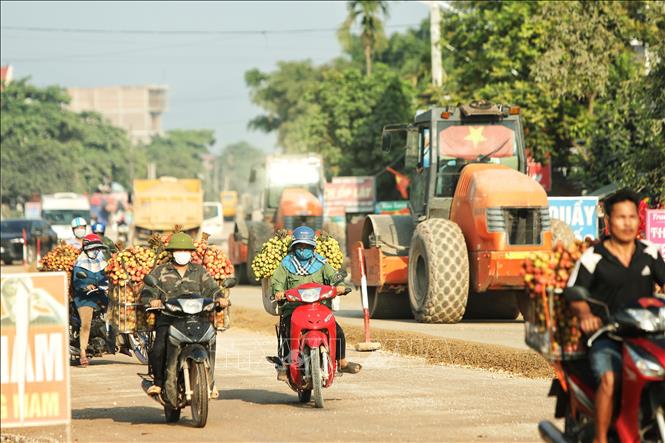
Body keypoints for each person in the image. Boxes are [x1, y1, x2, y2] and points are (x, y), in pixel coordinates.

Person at [567, 189, 665, 443]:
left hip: (647, 334)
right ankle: (600, 438)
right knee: (610, 379)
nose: (628, 223)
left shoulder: (649, 253)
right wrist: (586, 314)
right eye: (621, 217)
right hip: (608, 336)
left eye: (632, 217)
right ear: (608, 222)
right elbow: (574, 293)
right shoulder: (594, 257)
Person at [141, 232, 228, 397]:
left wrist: (220, 298)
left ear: (191, 253)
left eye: (186, 251)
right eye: (178, 250)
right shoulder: (160, 271)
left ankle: (210, 382)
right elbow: (147, 293)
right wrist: (152, 300)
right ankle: (159, 382)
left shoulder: (199, 271)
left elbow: (213, 289)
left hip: (198, 318)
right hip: (169, 318)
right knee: (158, 348)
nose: (182, 254)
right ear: (172, 252)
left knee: (210, 343)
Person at [271, 226, 361, 381]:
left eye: (307, 246)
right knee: (287, 333)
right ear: (294, 246)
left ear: (313, 246)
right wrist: (278, 291)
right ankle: (286, 366)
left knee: (337, 330)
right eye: (300, 246)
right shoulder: (286, 264)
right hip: (294, 309)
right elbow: (277, 282)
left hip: (319, 308)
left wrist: (339, 285)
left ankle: (342, 361)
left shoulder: (321, 263)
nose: (303, 249)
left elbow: (334, 277)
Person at [72, 234, 110, 367]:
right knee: (86, 323)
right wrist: (85, 286)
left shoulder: (102, 261)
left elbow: (107, 276)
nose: (95, 251)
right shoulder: (79, 263)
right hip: (85, 297)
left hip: (100, 293)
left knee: (116, 311)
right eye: (92, 249)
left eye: (97, 249)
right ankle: (83, 352)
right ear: (86, 249)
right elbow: (77, 282)